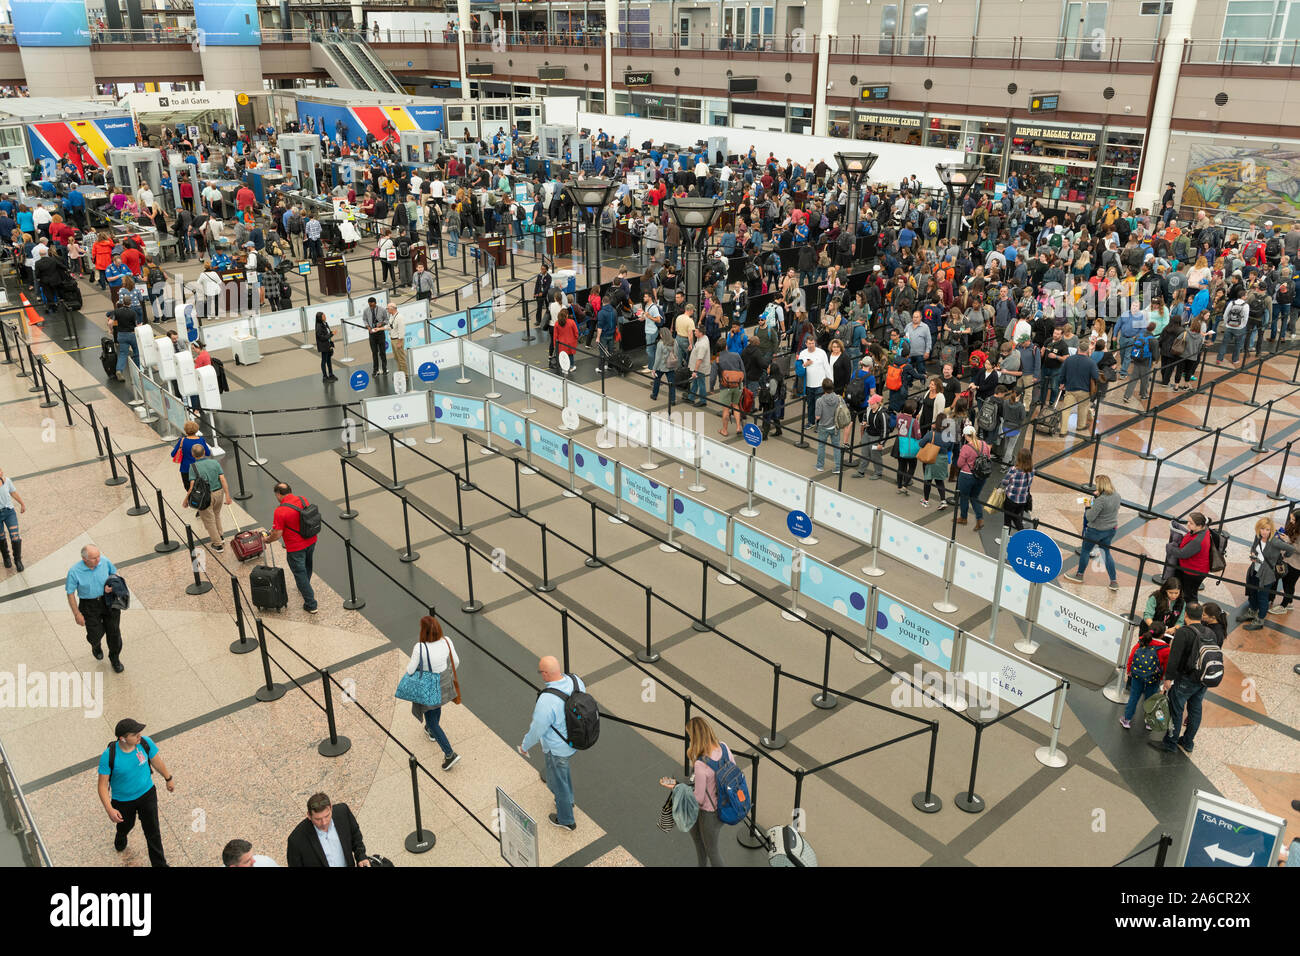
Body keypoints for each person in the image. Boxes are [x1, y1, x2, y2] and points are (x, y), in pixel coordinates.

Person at [518, 656, 585, 831]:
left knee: (558, 783)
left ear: (546, 674)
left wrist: (524, 746)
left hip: (557, 748)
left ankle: (566, 820)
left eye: (541, 672)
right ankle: (568, 802)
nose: (541, 675)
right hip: (575, 740)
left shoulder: (547, 700)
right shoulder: (575, 680)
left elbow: (537, 729)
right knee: (563, 775)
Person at [97, 718, 174, 866]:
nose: (139, 736)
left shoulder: (145, 743)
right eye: (135, 734)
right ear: (123, 738)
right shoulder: (109, 755)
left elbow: (157, 761)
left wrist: (168, 778)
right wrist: (110, 810)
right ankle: (121, 835)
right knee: (126, 825)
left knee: (153, 833)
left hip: (147, 794)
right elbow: (102, 785)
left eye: (139, 733)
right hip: (123, 801)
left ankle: (160, 864)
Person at [658, 716, 730, 867]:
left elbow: (698, 798)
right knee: (706, 847)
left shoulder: (700, 764)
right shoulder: (724, 747)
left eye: (690, 736)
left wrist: (676, 787)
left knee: (712, 852)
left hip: (709, 813)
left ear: (695, 738)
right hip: (725, 805)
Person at [1148, 602, 1216, 756]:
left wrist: (1168, 679)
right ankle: (1188, 742)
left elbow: (1174, 658)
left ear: (1186, 615)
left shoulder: (1184, 632)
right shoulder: (1209, 632)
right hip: (1203, 678)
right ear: (1200, 616)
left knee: (1176, 711)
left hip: (1186, 679)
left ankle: (1170, 743)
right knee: (1195, 709)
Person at [405, 615, 461, 770]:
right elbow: (456, 662)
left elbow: (410, 670)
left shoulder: (420, 648)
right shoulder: (447, 641)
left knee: (431, 720)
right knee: (437, 705)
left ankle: (449, 754)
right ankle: (430, 731)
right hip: (444, 683)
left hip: (429, 687)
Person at [261, 482, 319, 614]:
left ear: (278, 494)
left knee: (299, 573)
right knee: (308, 565)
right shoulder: (303, 499)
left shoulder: (280, 511)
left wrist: (267, 540)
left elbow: (277, 534)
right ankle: (304, 586)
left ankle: (311, 604)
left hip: (295, 547)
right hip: (311, 540)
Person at [66, 545, 125, 672]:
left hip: (108, 601)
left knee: (114, 632)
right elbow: (70, 593)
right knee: (95, 634)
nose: (98, 560)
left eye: (98, 556)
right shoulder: (74, 571)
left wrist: (111, 585)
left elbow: (114, 574)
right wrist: (77, 614)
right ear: (84, 559)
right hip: (89, 605)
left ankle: (115, 658)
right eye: (94, 558)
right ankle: (96, 645)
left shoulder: (104, 561)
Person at [1066, 474, 1120, 590]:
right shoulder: (1116, 495)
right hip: (1111, 530)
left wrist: (1087, 506)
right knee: (1106, 552)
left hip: (1095, 531)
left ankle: (1079, 575)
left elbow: (1090, 517)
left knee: (1085, 551)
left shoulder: (1101, 500)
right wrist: (1097, 497)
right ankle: (1113, 581)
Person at [286, 793, 371, 866]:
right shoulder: (296, 840)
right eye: (318, 819)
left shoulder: (343, 812)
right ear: (309, 815)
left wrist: (361, 856)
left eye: (327, 816)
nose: (324, 822)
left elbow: (355, 835)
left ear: (331, 808)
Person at [1243, 516, 1298, 629]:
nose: (1264, 532)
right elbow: (1254, 547)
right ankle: (1252, 612)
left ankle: (1260, 620)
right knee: (1253, 592)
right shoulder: (1258, 536)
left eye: (1268, 529)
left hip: (1267, 573)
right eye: (1262, 529)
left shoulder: (1275, 541)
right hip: (1254, 569)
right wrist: (1253, 554)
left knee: (1262, 597)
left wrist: (1284, 556)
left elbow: (1291, 549)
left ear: (1271, 530)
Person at [1120, 623, 1170, 730]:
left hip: (1137, 676)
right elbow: (1165, 666)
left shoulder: (1143, 640)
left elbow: (1132, 656)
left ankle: (1127, 720)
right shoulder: (1166, 648)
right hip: (1154, 678)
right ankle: (1149, 722)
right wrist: (1162, 677)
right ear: (1163, 635)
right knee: (1151, 699)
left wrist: (1129, 670)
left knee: (1134, 696)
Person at [184, 445, 231, 552]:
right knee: (216, 515)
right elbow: (223, 479)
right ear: (205, 452)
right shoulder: (214, 462)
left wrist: (186, 499)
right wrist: (227, 495)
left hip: (205, 497)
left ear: (193, 454)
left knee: (209, 520)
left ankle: (217, 544)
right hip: (219, 493)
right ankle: (220, 536)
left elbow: (191, 486)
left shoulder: (193, 467)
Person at [1167, 512, 1214, 606]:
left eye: (1191, 523)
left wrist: (1170, 548)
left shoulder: (1198, 541)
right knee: (1186, 590)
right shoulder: (1203, 530)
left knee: (1190, 595)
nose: (1188, 524)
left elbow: (1182, 554)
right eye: (1188, 521)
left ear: (1200, 526)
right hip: (1192, 568)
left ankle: (1192, 613)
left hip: (1194, 572)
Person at [955, 425, 992, 530]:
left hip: (967, 476)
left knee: (964, 497)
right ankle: (980, 519)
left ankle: (963, 518)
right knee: (974, 497)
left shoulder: (966, 448)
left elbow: (959, 463)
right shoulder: (984, 444)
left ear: (966, 435)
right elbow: (988, 458)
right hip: (981, 476)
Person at [998, 449, 1034, 538]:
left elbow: (1005, 482)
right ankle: (1024, 537)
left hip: (1011, 500)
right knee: (1016, 518)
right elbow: (1029, 484)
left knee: (1007, 521)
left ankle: (1004, 540)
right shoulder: (1032, 471)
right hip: (1022, 500)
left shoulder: (1014, 470)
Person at [169, 420, 212, 492]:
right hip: (200, 468)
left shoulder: (182, 441)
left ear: (185, 430)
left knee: (189, 489)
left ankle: (191, 501)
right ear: (196, 429)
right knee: (202, 488)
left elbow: (173, 454)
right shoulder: (201, 440)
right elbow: (207, 453)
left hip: (186, 469)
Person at [814, 378, 845, 473]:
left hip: (823, 426)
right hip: (835, 426)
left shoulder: (820, 401)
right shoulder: (839, 398)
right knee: (836, 446)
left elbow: (818, 416)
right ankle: (838, 467)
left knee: (821, 446)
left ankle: (820, 466)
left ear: (823, 388)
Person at [0, 465, 26, 572]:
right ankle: (6, 557)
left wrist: (22, 504)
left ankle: (18, 560)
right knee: (1, 537)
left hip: (9, 512)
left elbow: (13, 493)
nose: (1, 472)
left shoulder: (7, 481)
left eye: (0, 470)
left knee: (15, 536)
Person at [892, 398, 922, 492]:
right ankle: (905, 485)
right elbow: (918, 436)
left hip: (900, 443)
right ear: (914, 410)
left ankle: (899, 486)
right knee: (912, 466)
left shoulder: (899, 416)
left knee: (901, 466)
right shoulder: (914, 421)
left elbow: (897, 426)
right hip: (910, 446)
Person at [361, 296, 388, 375]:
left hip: (380, 332)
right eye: (370, 305)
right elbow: (364, 319)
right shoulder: (366, 310)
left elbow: (386, 320)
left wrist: (381, 323)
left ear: (375, 303)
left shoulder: (382, 310)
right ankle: (375, 370)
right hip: (372, 333)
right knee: (374, 352)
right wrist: (368, 327)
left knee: (382, 352)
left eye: (372, 305)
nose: (371, 307)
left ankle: (384, 369)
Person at [315, 311, 337, 382]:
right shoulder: (319, 326)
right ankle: (325, 376)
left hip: (328, 344)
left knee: (329, 360)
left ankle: (331, 374)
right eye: (323, 316)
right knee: (324, 361)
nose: (325, 317)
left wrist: (331, 333)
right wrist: (331, 334)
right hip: (323, 346)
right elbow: (322, 337)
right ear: (320, 318)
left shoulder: (325, 323)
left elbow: (327, 332)